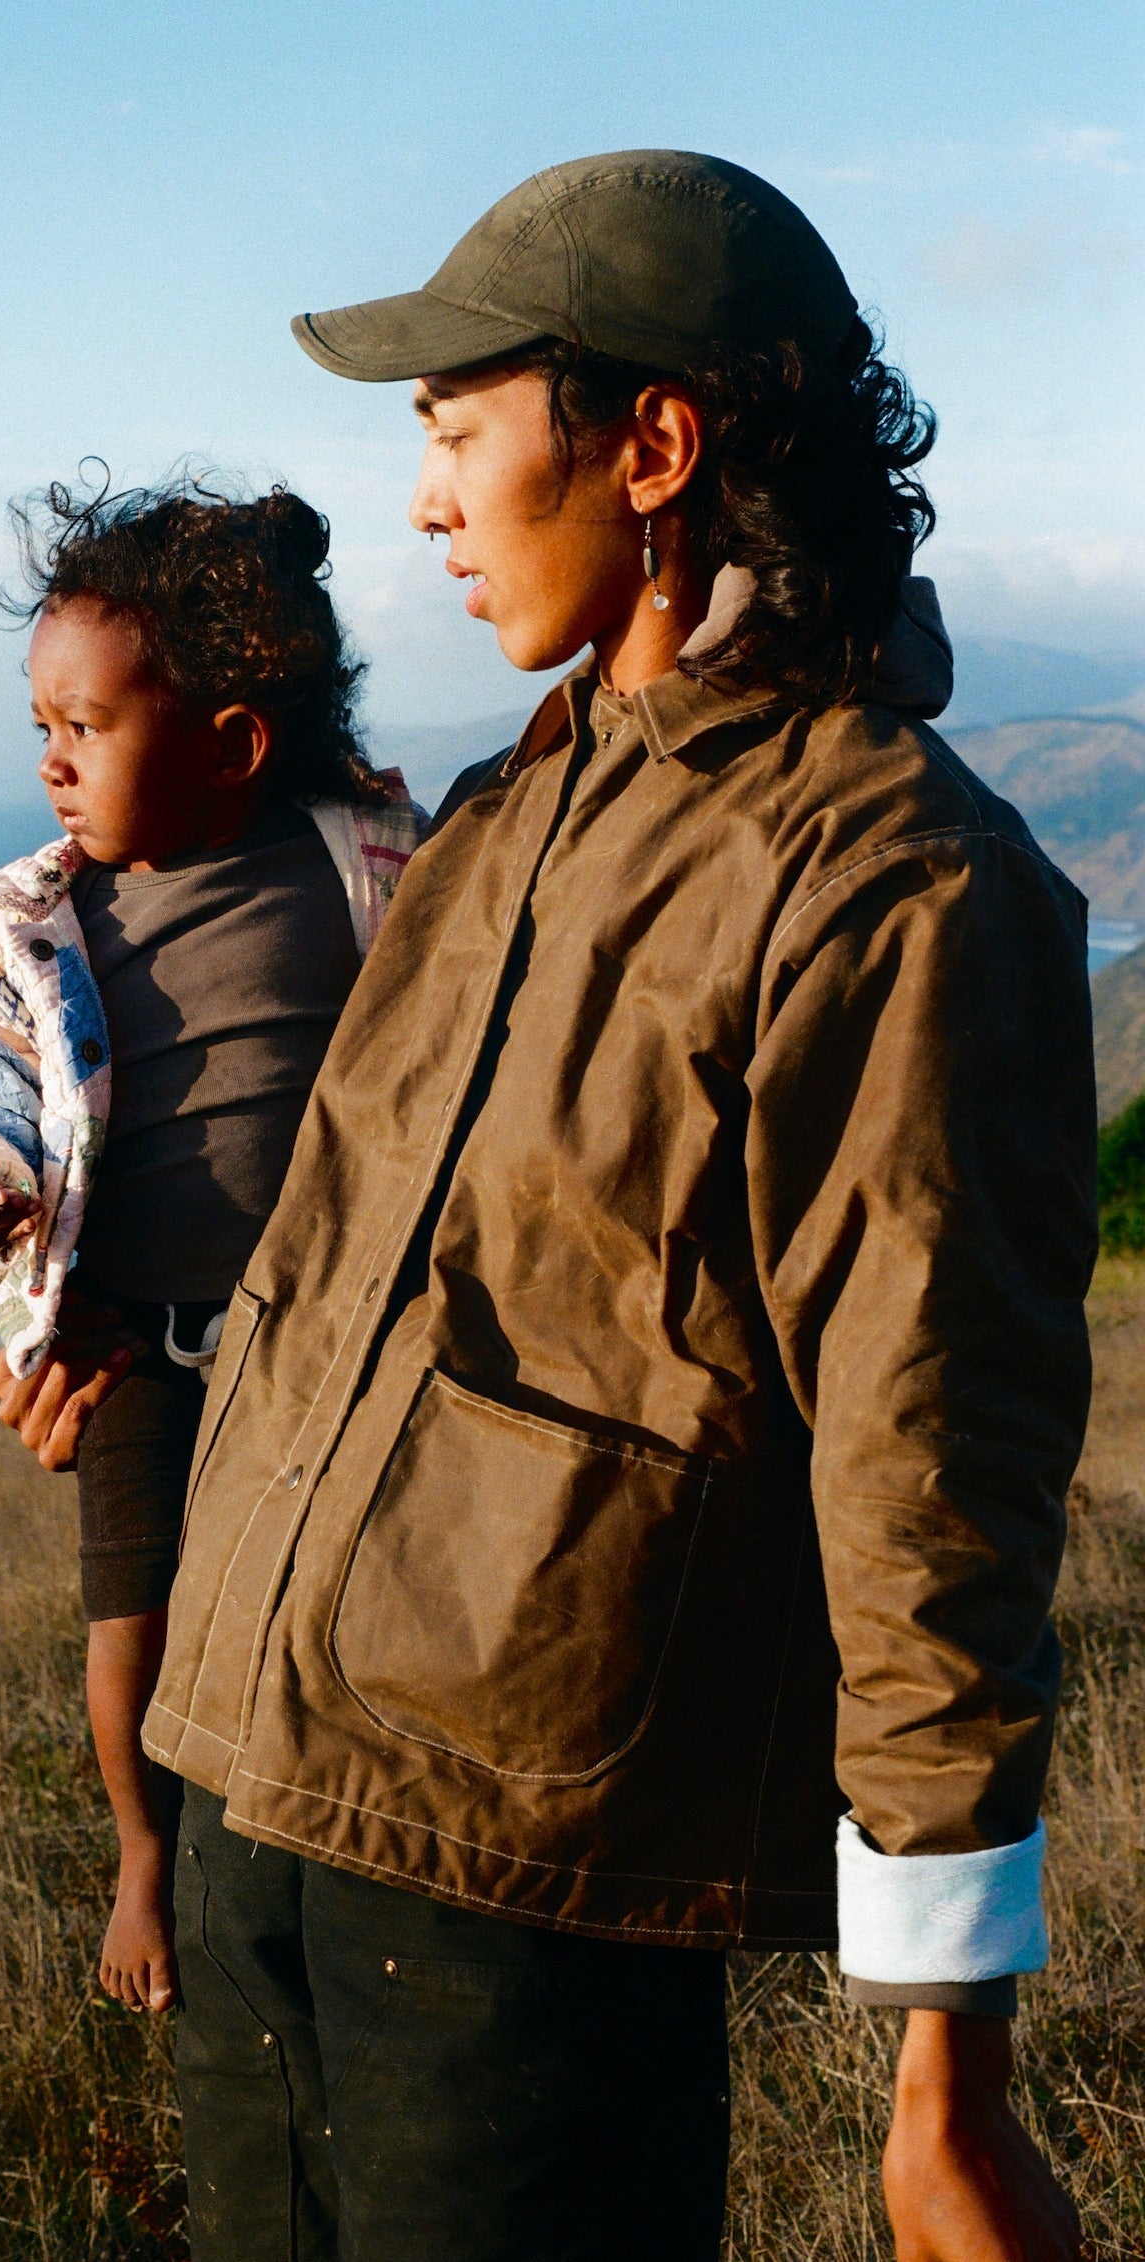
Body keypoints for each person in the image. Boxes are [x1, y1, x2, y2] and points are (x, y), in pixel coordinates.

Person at [139, 156, 1093, 2259]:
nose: (424, 506)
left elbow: (939, 1463)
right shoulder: (501, 811)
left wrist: (949, 2065)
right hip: (246, 1807)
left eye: (458, 432)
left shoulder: (896, 887)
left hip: (514, 1895)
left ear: (650, 446)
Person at [0, 478, 419, 2017]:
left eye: (90, 724)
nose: (51, 759)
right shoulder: (29, 938)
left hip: (312, 1329)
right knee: (128, 1612)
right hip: (126, 1331)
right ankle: (143, 1849)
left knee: (322, 1598)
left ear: (232, 745)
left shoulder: (360, 867)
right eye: (43, 723)